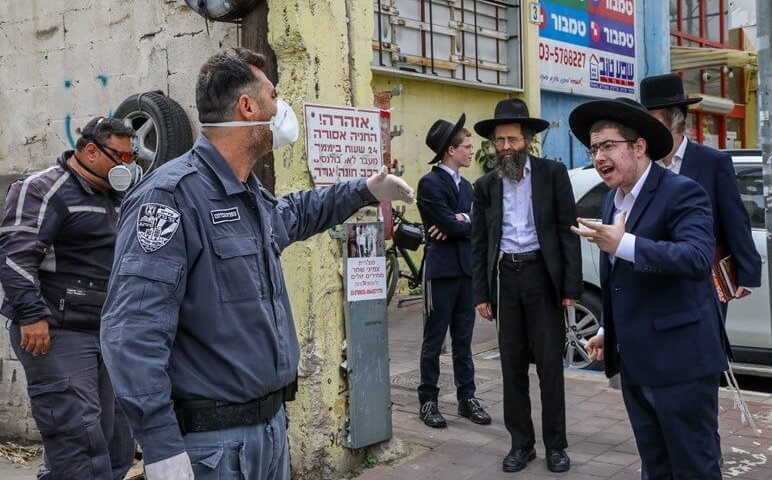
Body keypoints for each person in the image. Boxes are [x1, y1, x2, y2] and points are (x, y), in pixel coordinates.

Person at [99, 47, 414, 480]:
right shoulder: (171, 197)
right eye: (273, 95)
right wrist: (161, 447)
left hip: (268, 433)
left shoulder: (246, 193)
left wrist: (363, 190)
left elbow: (296, 213)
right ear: (247, 107)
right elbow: (130, 333)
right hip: (213, 447)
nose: (280, 107)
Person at [571, 97, 728, 479]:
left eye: (608, 145)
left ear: (639, 146)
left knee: (694, 467)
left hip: (681, 364)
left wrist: (624, 244)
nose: (599, 157)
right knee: (654, 467)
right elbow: (621, 281)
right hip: (637, 364)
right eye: (594, 149)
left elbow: (696, 258)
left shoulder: (682, 192)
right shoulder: (612, 200)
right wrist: (608, 328)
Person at [0, 117, 137, 479]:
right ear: (91, 151)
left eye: (132, 158)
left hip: (106, 330)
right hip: (58, 330)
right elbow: (15, 257)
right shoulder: (43, 190)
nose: (128, 166)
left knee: (114, 441)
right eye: (121, 157)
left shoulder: (118, 198)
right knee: (78, 436)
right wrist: (31, 316)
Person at [471, 99, 582, 473]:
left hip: (542, 277)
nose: (505, 147)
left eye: (512, 140)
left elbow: (568, 232)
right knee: (512, 365)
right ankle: (521, 444)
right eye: (499, 141)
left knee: (550, 366)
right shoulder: (485, 186)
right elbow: (478, 244)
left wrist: (570, 287)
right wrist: (481, 293)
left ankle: (556, 446)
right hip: (506, 278)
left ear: (528, 140)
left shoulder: (552, 175)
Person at [640, 73, 761, 313]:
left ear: (675, 121)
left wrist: (746, 271)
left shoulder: (713, 162)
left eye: (653, 122)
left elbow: (734, 218)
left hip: (704, 278)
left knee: (708, 335)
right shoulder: (644, 165)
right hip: (657, 276)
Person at [415, 114, 491, 429]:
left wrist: (463, 221)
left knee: (464, 341)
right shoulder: (430, 183)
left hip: (466, 272)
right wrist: (459, 222)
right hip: (441, 272)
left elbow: (481, 224)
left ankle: (467, 398)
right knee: (434, 340)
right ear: (450, 150)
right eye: (466, 146)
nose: (471, 151)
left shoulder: (469, 186)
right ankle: (428, 400)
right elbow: (447, 224)